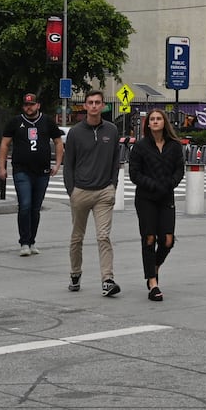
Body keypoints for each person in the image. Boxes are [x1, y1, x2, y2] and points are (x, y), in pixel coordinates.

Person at [62, 90, 122, 296]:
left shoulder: (112, 130)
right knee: (77, 237)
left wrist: (112, 184)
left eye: (98, 102)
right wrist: (72, 190)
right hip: (81, 191)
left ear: (103, 105)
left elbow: (116, 160)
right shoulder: (76, 133)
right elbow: (68, 164)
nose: (94, 106)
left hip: (104, 191)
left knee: (103, 236)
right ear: (85, 106)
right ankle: (75, 273)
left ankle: (107, 279)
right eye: (91, 102)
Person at [128, 107, 185, 301]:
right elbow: (134, 174)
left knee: (168, 240)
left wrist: (169, 184)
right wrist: (153, 185)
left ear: (164, 122)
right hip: (146, 198)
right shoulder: (140, 147)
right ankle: (153, 283)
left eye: (158, 118)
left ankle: (154, 267)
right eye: (151, 119)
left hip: (166, 197)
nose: (154, 121)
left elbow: (179, 170)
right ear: (147, 124)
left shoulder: (175, 146)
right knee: (149, 238)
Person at [0, 91, 64, 257]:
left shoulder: (47, 121)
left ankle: (32, 240)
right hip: (22, 170)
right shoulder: (16, 122)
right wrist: (2, 167)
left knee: (35, 208)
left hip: (42, 171)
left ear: (38, 105)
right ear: (23, 106)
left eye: (32, 104)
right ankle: (24, 242)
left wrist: (57, 164)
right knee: (25, 205)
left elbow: (58, 142)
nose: (29, 107)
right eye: (26, 105)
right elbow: (5, 144)